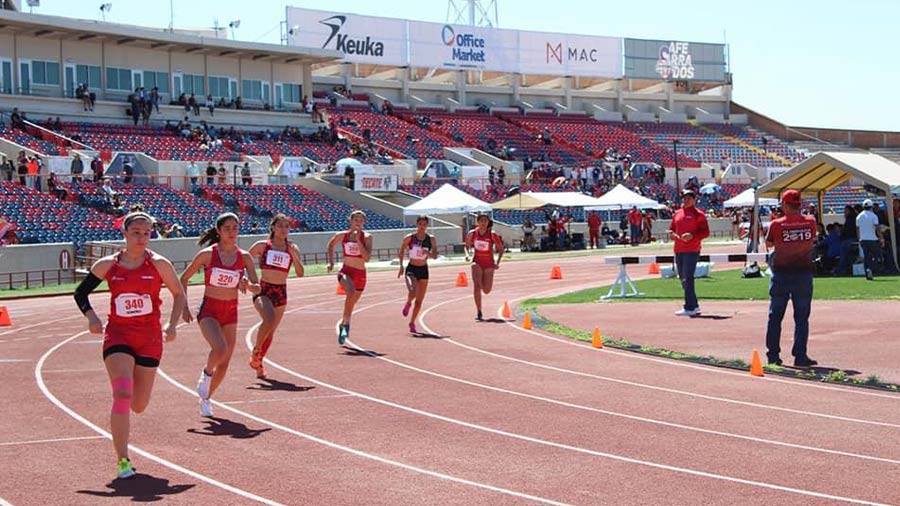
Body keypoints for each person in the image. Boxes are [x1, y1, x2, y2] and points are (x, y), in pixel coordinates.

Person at [73, 212, 185, 479]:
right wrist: (91, 316)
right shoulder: (109, 264)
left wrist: (171, 324)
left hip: (149, 339)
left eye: (147, 233)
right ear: (125, 234)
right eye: (136, 232)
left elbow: (178, 294)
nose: (142, 238)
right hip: (118, 336)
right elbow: (80, 292)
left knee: (139, 405)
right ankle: (123, 460)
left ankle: (124, 443)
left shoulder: (159, 264)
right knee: (122, 394)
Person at [180, 213, 260, 417]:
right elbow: (184, 278)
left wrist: (247, 285)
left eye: (235, 228)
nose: (232, 232)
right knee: (220, 348)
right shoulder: (207, 255)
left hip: (230, 312)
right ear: (219, 231)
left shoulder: (244, 257)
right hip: (209, 311)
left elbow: (257, 288)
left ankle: (206, 399)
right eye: (227, 228)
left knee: (224, 363)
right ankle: (206, 373)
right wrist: (184, 307)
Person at [764, 189, 818, 367]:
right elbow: (812, 240)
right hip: (803, 274)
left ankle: (773, 355)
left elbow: (769, 243)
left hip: (781, 275)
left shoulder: (777, 224)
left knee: (775, 316)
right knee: (802, 318)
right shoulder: (810, 222)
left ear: (785, 205)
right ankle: (800, 355)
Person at [248, 214, 304, 378]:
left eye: (287, 226)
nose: (283, 229)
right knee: (269, 319)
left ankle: (259, 363)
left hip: (281, 291)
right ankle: (256, 351)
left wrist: (293, 255)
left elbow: (300, 273)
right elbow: (243, 259)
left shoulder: (292, 248)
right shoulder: (262, 246)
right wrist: (248, 279)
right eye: (280, 226)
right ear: (273, 227)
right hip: (264, 290)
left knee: (270, 332)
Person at [327, 210, 373, 344]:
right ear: (350, 221)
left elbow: (367, 258)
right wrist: (331, 262)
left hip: (360, 274)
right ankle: (347, 324)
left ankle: (343, 323)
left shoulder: (367, 237)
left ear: (364, 223)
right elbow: (330, 245)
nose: (358, 223)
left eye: (360, 220)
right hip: (346, 271)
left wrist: (359, 240)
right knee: (350, 292)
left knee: (352, 302)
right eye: (355, 220)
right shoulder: (342, 235)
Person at [667, 188, 709, 317]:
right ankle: (694, 305)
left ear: (694, 200)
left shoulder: (699, 214)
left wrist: (692, 236)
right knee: (682, 278)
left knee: (687, 277)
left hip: (692, 249)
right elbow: (672, 229)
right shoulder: (677, 213)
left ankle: (689, 306)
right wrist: (672, 235)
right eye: (684, 198)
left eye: (689, 198)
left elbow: (705, 232)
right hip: (678, 249)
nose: (686, 200)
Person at [397, 216, 439, 334]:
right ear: (417, 224)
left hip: (423, 270)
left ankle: (412, 322)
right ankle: (408, 303)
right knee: (413, 291)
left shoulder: (431, 239)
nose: (422, 226)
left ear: (427, 225)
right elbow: (400, 252)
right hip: (412, 268)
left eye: (424, 224)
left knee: (419, 301)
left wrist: (427, 253)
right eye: (420, 224)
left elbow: (435, 255)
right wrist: (401, 266)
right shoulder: (409, 238)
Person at [464, 213, 504, 321]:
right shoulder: (472, 233)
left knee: (486, 290)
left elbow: (501, 249)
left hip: (489, 264)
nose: (483, 223)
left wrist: (497, 263)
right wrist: (467, 255)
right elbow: (466, 246)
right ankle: (479, 311)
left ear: (488, 222)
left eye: (485, 221)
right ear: (477, 222)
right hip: (477, 262)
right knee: (477, 286)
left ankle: (481, 280)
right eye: (481, 221)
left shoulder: (492, 234)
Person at [856, 199, 883, 280]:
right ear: (871, 207)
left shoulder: (859, 216)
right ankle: (871, 268)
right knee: (876, 255)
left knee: (866, 257)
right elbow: (877, 228)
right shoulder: (874, 216)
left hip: (863, 239)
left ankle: (867, 271)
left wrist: (859, 239)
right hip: (872, 239)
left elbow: (857, 229)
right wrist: (881, 238)